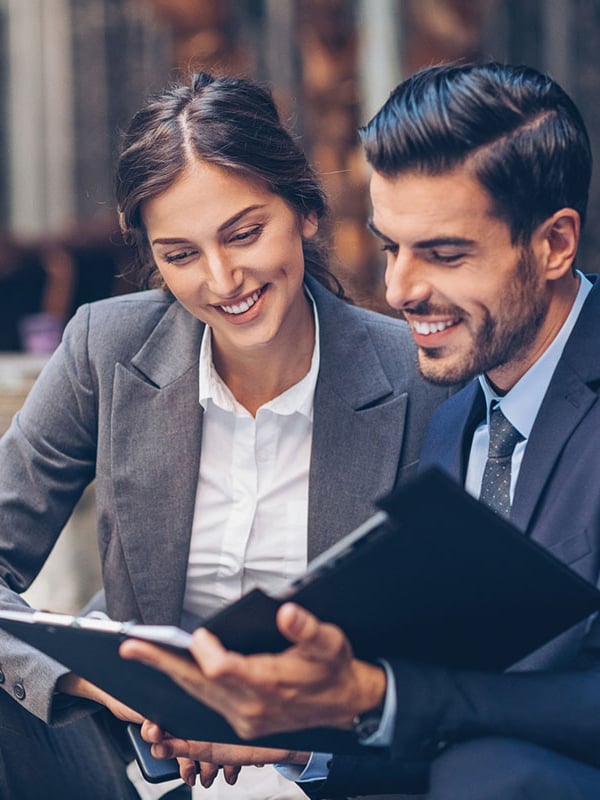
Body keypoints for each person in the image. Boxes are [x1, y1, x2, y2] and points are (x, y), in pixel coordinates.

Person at [121, 62, 600, 799]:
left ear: (554, 244)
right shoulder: (451, 429)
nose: (401, 289)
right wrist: (287, 737)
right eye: (389, 248)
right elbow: (448, 724)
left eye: (443, 253)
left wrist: (378, 693)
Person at [0, 72, 447, 800]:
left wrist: (295, 740)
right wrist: (95, 681)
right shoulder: (104, 347)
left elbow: (452, 657)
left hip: (324, 768)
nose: (221, 279)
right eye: (179, 255)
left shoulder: (421, 376)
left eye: (244, 234)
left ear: (304, 209)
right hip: (125, 757)